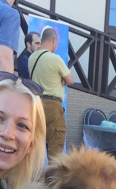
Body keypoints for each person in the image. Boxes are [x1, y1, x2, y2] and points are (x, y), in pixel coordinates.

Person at [28, 26, 73, 161]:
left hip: (36, 103)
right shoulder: (55, 59)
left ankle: (32, 172)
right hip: (53, 105)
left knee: (36, 144)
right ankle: (53, 173)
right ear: (53, 40)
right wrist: (61, 80)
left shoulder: (32, 58)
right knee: (55, 145)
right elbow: (70, 80)